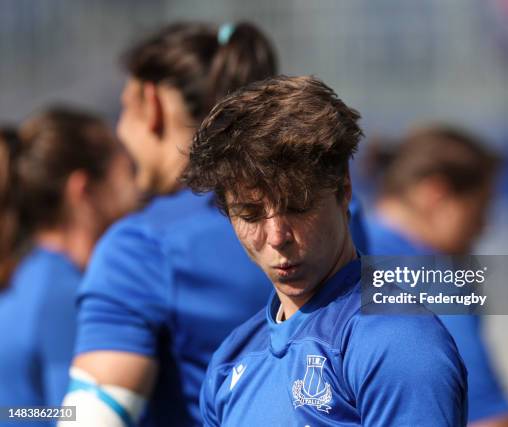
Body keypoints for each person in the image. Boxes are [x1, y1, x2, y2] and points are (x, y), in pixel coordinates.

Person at [62, 22, 361, 427]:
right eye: (249, 215)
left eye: (122, 110)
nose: (276, 237)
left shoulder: (139, 247)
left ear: (151, 105)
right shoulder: (343, 214)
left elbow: (92, 416)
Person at [185, 75, 467, 426]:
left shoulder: (397, 341)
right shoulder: (230, 361)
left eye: (298, 205)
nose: (277, 235)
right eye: (250, 214)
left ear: (343, 189)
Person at [364, 125, 508, 427]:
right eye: (480, 208)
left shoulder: (339, 252)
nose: (484, 227)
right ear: (434, 194)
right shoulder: (431, 279)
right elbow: (488, 423)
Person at [0, 108, 137, 426]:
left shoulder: (25, 275)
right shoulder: (64, 294)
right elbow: (71, 415)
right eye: (127, 172)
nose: (137, 191)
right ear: (83, 189)